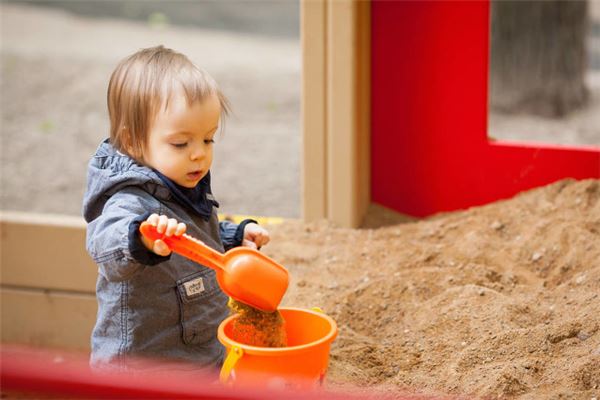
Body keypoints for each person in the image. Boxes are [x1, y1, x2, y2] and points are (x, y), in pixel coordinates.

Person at [82, 45, 270, 372]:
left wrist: (234, 237)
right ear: (133, 142)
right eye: (181, 143)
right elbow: (105, 246)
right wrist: (139, 239)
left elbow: (195, 236)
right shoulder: (130, 201)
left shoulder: (180, 179)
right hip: (143, 370)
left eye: (208, 139)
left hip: (198, 355)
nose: (199, 154)